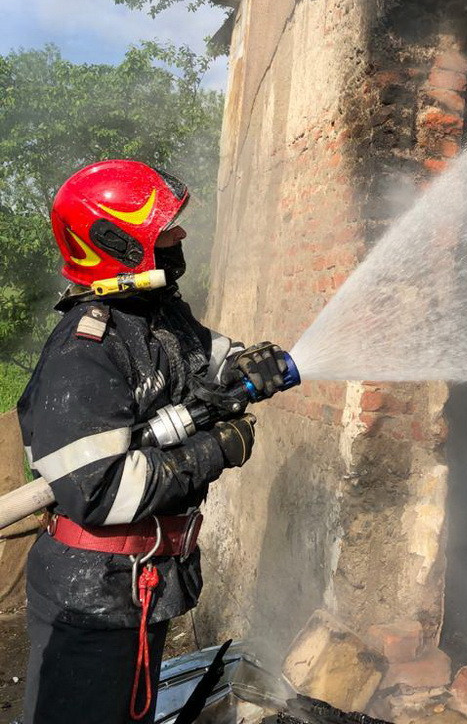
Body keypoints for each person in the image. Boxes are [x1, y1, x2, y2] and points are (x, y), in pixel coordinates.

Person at [17, 159, 291, 724]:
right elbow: (99, 491)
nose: (181, 235)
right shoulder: (85, 350)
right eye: (164, 230)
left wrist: (247, 366)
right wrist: (215, 450)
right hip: (92, 598)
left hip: (142, 585)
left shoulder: (157, 316)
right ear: (115, 244)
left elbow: (204, 361)